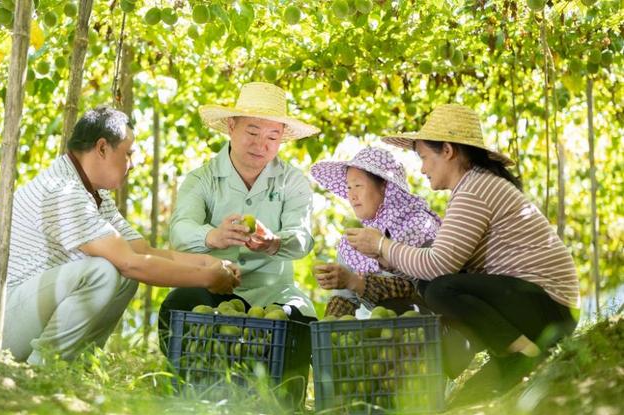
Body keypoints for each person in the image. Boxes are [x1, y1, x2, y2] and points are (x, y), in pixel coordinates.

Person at [0, 106, 239, 365]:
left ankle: (78, 363)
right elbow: (131, 262)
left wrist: (210, 264)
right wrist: (207, 278)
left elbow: (142, 251)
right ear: (102, 148)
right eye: (128, 153)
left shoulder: (93, 193)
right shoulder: (63, 191)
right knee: (103, 271)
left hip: (20, 315)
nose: (132, 163)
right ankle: (45, 368)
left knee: (124, 278)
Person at [347, 104, 580, 389]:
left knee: (439, 289)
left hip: (548, 307)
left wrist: (382, 245)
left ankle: (527, 354)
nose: (421, 169)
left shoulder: (474, 190)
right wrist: (388, 257)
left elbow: (438, 266)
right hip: (538, 305)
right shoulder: (475, 185)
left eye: (423, 157)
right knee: (472, 395)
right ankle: (510, 355)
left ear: (447, 151)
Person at [161, 82, 320, 340]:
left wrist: (274, 242)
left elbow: (302, 239)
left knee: (300, 320)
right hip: (212, 287)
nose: (261, 145)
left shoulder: (293, 182)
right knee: (182, 302)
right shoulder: (202, 179)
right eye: (253, 132)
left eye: (272, 137)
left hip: (274, 295)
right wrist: (212, 236)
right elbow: (179, 231)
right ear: (232, 127)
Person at [310, 146, 441, 318]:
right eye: (349, 187)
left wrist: (354, 281)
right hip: (380, 334)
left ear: (384, 187)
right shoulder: (353, 242)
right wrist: (329, 327)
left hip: (425, 329)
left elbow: (411, 289)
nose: (352, 195)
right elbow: (344, 298)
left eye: (358, 185)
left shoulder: (417, 225)